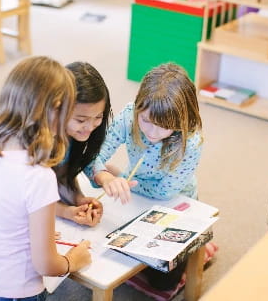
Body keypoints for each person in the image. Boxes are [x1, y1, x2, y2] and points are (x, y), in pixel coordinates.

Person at [0, 56, 92, 301]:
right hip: (10, 293)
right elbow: (45, 264)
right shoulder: (38, 176)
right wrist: (72, 261)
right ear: (56, 109)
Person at [83, 62, 203, 292]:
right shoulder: (130, 115)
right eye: (146, 120)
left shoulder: (191, 141)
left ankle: (197, 250)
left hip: (174, 200)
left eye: (163, 126)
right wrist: (105, 176)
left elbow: (164, 192)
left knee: (163, 283)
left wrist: (118, 176)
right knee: (112, 254)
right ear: (138, 106)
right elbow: (93, 155)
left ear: (180, 121)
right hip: (132, 188)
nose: (152, 132)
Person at [52, 61, 111, 227]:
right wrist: (65, 211)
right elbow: (29, 199)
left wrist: (79, 200)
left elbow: (63, 175)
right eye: (81, 120)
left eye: (98, 117)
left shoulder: (72, 137)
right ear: (59, 109)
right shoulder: (40, 142)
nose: (89, 127)